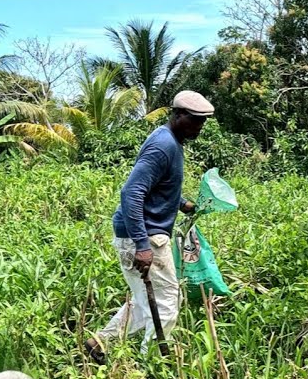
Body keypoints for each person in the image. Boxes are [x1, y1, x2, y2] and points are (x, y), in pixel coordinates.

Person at [85, 90, 215, 362]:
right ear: (178, 115)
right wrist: (142, 245)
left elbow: (156, 185)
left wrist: (181, 203)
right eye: (195, 120)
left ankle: (100, 343)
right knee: (168, 303)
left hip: (139, 234)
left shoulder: (170, 141)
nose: (199, 127)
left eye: (203, 121)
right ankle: (153, 366)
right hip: (145, 236)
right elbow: (131, 193)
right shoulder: (163, 145)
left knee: (144, 299)